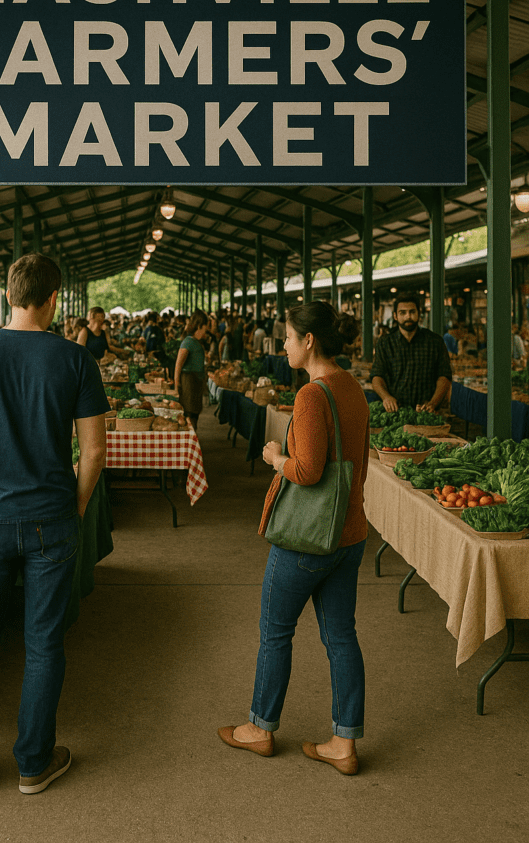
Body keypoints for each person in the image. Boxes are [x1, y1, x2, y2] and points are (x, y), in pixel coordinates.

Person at [0, 253, 108, 796]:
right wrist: (75, 508)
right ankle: (34, 763)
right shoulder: (76, 360)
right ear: (53, 298)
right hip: (51, 519)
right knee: (43, 642)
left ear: (10, 294)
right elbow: (95, 452)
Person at [217, 301, 370, 775]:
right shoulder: (352, 387)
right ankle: (343, 743)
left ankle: (260, 728)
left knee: (275, 632)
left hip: (305, 540)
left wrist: (273, 457)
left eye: (287, 336)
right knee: (341, 637)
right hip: (349, 531)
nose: (282, 344)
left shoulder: (311, 396)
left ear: (309, 341)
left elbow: (306, 471)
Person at [370, 293, 452, 413]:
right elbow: (377, 376)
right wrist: (386, 397)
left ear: (419, 314)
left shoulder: (435, 341)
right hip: (396, 412)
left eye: (412, 312)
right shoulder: (385, 343)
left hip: (426, 411)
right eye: (402, 313)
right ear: (395, 316)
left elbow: (444, 376)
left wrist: (433, 403)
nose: (408, 316)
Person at [174, 309, 208, 430]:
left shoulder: (195, 342)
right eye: (205, 328)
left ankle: (193, 441)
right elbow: (178, 365)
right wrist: (176, 386)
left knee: (194, 414)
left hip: (196, 382)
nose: (206, 331)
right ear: (199, 326)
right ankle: (191, 442)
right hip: (188, 382)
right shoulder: (187, 342)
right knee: (190, 414)